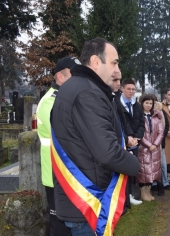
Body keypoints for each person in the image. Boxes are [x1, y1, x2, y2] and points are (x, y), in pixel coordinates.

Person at [50, 38, 140, 236]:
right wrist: (134, 163)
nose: (118, 70)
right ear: (96, 62)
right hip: (87, 202)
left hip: (79, 201)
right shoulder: (87, 93)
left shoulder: (78, 86)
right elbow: (107, 153)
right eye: (114, 63)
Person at [37, 56, 77, 236]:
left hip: (67, 171)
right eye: (72, 75)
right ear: (60, 77)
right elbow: (66, 135)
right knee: (59, 225)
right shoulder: (49, 102)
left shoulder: (65, 99)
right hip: (54, 174)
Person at [117, 78, 145, 205]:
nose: (131, 91)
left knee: (133, 168)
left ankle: (130, 195)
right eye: (128, 89)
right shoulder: (117, 104)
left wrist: (136, 138)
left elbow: (141, 123)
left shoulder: (137, 105)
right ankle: (122, 196)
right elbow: (120, 123)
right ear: (122, 88)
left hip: (135, 142)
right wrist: (128, 138)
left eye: (133, 89)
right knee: (122, 170)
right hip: (123, 141)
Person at [137, 94, 164, 201]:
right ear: (142, 103)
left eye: (150, 103)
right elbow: (139, 133)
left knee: (153, 171)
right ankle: (143, 192)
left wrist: (155, 144)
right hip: (143, 148)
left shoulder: (157, 117)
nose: (148, 105)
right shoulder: (139, 116)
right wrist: (149, 145)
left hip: (155, 148)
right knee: (144, 170)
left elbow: (161, 132)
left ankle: (148, 191)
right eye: (146, 103)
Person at [154, 101, 170, 190]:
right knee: (153, 164)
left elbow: (166, 125)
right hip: (150, 144)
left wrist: (161, 136)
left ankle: (165, 182)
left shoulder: (162, 113)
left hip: (161, 142)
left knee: (163, 164)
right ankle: (154, 183)